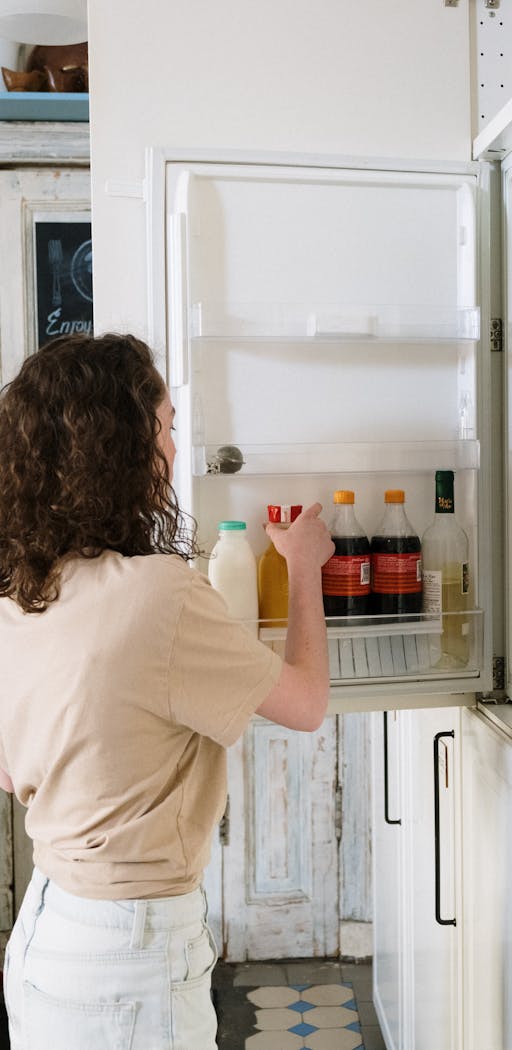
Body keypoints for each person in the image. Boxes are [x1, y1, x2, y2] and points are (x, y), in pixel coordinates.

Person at [0, 332, 335, 1049]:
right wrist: (304, 566)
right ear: (120, 450)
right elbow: (306, 705)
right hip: (129, 950)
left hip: (46, 933)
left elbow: (10, 768)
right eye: (168, 427)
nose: (176, 449)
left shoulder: (20, 591)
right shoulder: (160, 596)